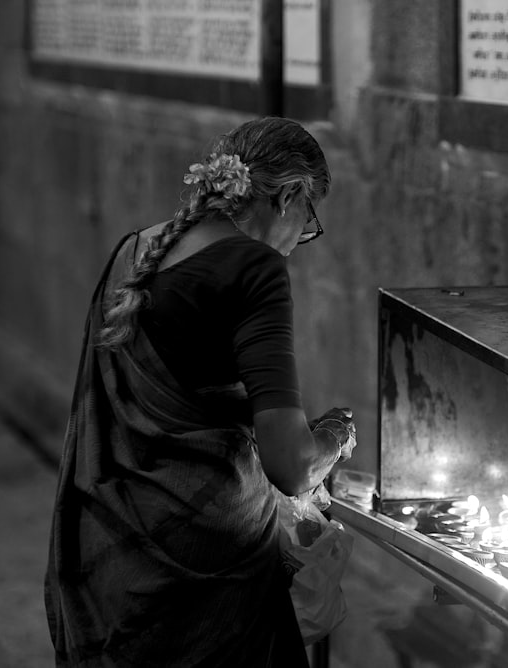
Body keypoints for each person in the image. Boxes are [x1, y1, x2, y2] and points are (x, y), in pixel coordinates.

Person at [44, 116, 357, 668]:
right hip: (210, 572)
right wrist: (334, 436)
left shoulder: (135, 250)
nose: (301, 239)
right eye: (308, 221)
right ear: (288, 196)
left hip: (112, 556)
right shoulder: (254, 267)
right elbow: (290, 464)